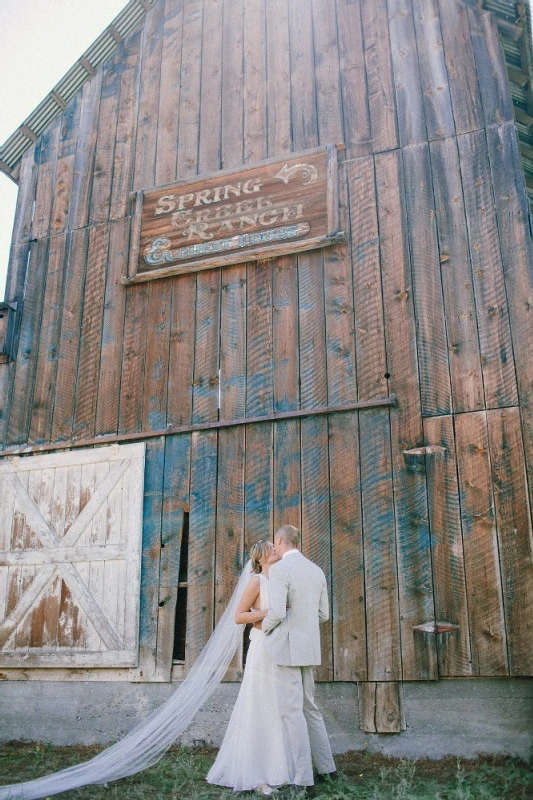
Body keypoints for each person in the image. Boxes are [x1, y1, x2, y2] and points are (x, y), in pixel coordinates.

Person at [206, 539, 293, 795]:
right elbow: (239, 616)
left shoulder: (280, 579)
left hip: (280, 648)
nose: (276, 548)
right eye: (271, 547)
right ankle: (255, 775)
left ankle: (279, 769)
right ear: (260, 557)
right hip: (262, 648)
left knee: (278, 706)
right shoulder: (256, 581)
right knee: (260, 705)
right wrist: (268, 612)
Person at [262, 525, 337, 795]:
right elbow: (323, 615)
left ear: (281, 541)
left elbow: (278, 612)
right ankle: (329, 770)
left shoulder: (280, 570)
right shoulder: (316, 570)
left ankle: (303, 780)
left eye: (275, 543)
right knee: (310, 709)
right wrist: (302, 625)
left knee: (292, 714)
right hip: (308, 648)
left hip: (287, 647)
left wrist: (265, 628)